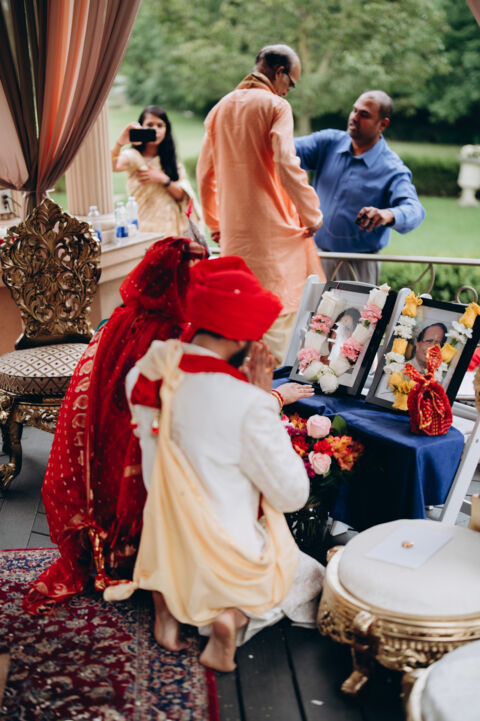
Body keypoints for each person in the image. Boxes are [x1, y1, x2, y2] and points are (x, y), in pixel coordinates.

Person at [23, 240, 312, 615]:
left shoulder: (120, 321)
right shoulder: (174, 337)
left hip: (118, 466)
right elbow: (212, 417)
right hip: (180, 489)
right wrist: (271, 398)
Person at [105, 256, 324, 672]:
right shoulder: (247, 403)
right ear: (241, 336)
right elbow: (293, 495)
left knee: (174, 537)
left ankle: (166, 603)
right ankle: (232, 618)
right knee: (309, 577)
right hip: (225, 554)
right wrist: (266, 400)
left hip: (164, 541)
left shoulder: (150, 372)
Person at [196, 44, 324, 365]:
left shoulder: (219, 108)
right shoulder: (276, 106)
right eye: (291, 83)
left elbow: (204, 174)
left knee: (239, 328)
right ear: (279, 73)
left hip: (234, 240)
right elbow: (286, 162)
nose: (288, 91)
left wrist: (214, 223)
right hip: (274, 242)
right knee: (275, 336)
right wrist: (311, 215)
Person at [295, 90, 426, 285]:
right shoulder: (329, 143)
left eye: (364, 114)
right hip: (314, 256)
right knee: (303, 306)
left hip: (358, 265)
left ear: (383, 124)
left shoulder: (392, 168)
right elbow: (283, 149)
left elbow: (415, 210)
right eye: (354, 110)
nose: (354, 118)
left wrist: (388, 214)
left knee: (353, 308)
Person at [111, 105, 201, 234]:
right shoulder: (133, 156)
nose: (155, 129)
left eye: (160, 125)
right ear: (141, 128)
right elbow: (112, 166)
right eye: (149, 125)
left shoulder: (171, 160)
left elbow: (182, 195)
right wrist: (119, 143)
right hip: (145, 227)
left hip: (172, 227)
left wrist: (162, 178)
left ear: (166, 129)